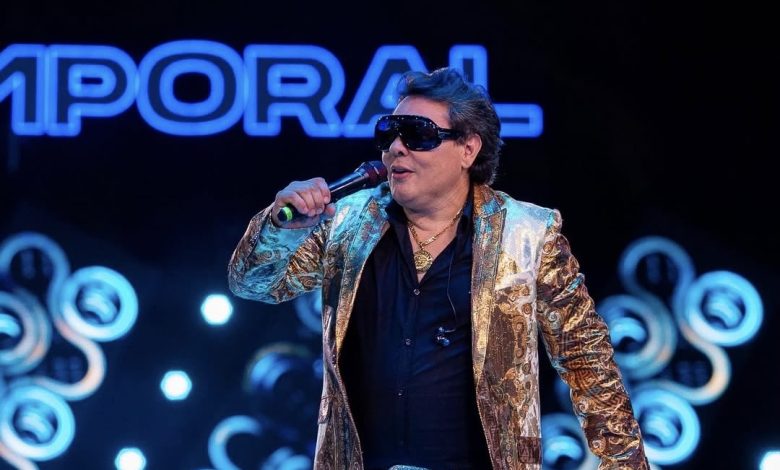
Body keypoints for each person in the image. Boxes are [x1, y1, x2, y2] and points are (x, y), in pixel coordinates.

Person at [228, 67, 649, 469]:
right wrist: (279, 229)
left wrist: (625, 462)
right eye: (388, 133)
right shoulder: (346, 223)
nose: (396, 148)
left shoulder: (527, 234)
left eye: (417, 134)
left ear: (468, 149)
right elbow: (252, 284)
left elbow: (585, 357)